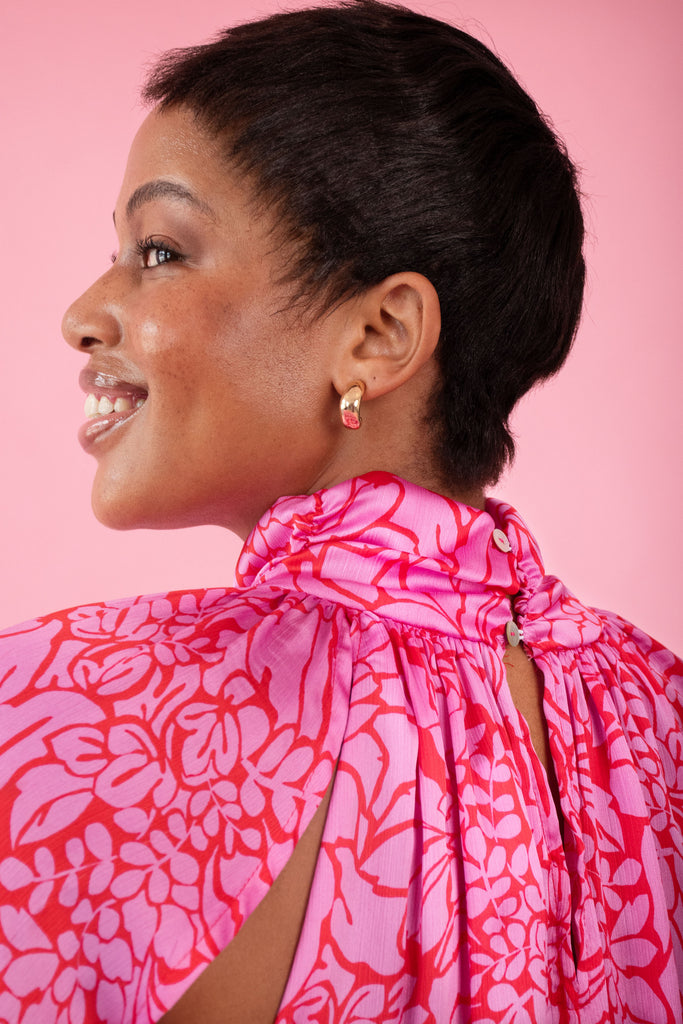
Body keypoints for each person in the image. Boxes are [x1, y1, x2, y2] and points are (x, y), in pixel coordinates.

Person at [0, 1, 681, 1022]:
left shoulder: (66, 724)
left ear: (378, 332)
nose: (83, 313)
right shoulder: (656, 722)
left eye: (159, 250)